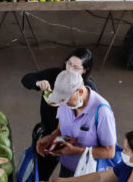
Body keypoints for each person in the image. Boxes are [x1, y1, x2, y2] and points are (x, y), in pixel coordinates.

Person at [22, 50, 97, 182]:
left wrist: (72, 147)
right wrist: (37, 83)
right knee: (40, 173)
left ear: (85, 70)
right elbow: (26, 78)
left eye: (75, 67)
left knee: (67, 176)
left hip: (70, 141)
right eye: (69, 63)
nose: (70, 69)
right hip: (49, 134)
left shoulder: (89, 92)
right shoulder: (57, 75)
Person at [35, 70, 119, 178]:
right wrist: (50, 137)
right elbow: (61, 129)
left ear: (79, 91)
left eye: (66, 99)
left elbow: (109, 152)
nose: (63, 103)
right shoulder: (65, 102)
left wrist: (76, 151)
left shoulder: (102, 111)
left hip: (89, 174)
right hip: (66, 167)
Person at [53, 129, 133, 182]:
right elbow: (101, 177)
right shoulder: (130, 166)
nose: (122, 153)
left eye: (126, 150)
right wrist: (62, 181)